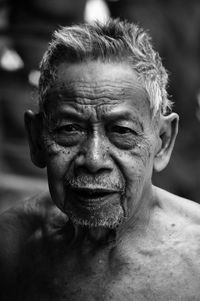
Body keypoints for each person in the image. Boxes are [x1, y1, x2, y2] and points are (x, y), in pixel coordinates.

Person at [0, 19, 200, 300]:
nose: (93, 160)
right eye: (69, 129)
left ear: (163, 141)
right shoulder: (11, 246)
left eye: (121, 131)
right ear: (36, 140)